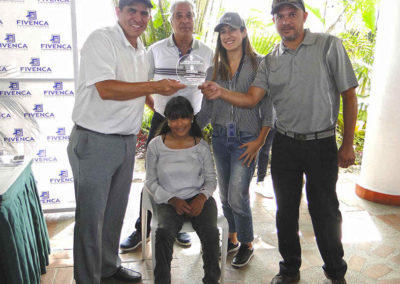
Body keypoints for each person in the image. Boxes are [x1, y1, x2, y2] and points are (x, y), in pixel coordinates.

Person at [199, 0, 358, 283]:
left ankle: (335, 271)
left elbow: (348, 94)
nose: (286, 21)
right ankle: (289, 270)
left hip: (321, 143)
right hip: (285, 144)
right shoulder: (270, 60)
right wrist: (219, 91)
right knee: (285, 212)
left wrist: (347, 143)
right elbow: (251, 99)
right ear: (274, 21)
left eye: (291, 14)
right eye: (280, 16)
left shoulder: (328, 45)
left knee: (325, 211)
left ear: (304, 16)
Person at [67, 0, 185, 283]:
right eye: (132, 10)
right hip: (95, 141)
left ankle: (108, 267)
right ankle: (87, 279)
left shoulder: (141, 50)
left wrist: (168, 111)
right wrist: (156, 86)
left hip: (125, 141)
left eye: (145, 13)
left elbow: (141, 92)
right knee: (90, 219)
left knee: (114, 213)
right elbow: (106, 89)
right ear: (117, 12)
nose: (139, 18)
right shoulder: (102, 39)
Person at [120, 0, 213, 252]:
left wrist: (199, 120)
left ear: (194, 20)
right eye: (179, 15)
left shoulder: (207, 52)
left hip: (193, 122)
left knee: (190, 174)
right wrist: (157, 110)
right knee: (155, 175)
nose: (184, 20)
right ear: (171, 20)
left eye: (189, 15)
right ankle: (142, 228)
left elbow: (212, 90)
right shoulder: (156, 50)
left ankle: (181, 226)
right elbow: (142, 84)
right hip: (162, 120)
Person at [197, 12, 273, 268]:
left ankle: (247, 243)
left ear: (243, 32)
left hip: (247, 138)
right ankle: (231, 237)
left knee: (238, 195)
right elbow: (207, 112)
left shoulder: (259, 64)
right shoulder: (213, 70)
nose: (227, 35)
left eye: (233, 30)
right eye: (223, 31)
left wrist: (260, 142)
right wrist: (186, 129)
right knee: (225, 196)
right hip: (219, 137)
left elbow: (268, 110)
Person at [145, 96, 220, 284]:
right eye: (174, 118)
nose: (179, 123)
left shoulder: (201, 146)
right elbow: (151, 182)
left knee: (211, 233)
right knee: (163, 233)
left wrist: (202, 198)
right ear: (168, 121)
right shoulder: (155, 145)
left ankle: (211, 279)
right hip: (168, 200)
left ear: (192, 118)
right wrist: (172, 200)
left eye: (184, 117)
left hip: (199, 198)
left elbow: (211, 179)